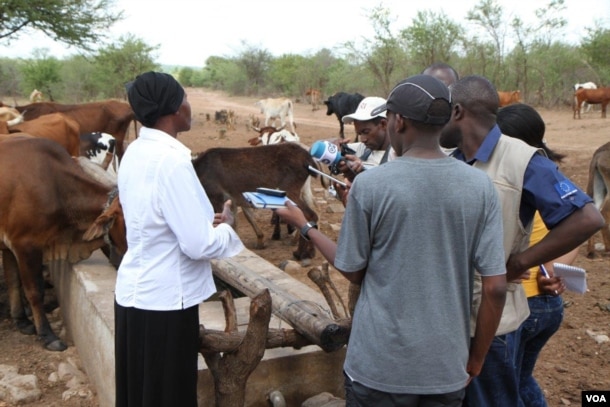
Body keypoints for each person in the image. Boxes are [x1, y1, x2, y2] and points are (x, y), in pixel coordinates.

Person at [276, 74, 508, 406]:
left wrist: (305, 226)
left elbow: (353, 270)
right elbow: (495, 288)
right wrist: (476, 358)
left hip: (378, 368)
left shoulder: (371, 186)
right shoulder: (480, 187)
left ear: (397, 122)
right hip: (445, 368)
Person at [439, 75, 604, 407]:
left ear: (457, 112)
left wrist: (520, 262)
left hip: (494, 323)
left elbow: (587, 218)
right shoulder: (453, 159)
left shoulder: (522, 160)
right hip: (451, 319)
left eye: (440, 110)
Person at [114, 71, 244, 407]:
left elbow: (156, 219)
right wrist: (226, 227)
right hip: (166, 303)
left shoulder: (134, 153)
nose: (189, 105)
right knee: (168, 395)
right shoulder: (172, 161)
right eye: (185, 97)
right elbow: (197, 245)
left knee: (139, 392)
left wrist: (203, 224)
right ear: (173, 108)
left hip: (133, 295)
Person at [497, 103, 578, 407]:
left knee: (505, 387)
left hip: (521, 305)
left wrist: (537, 266)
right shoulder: (553, 179)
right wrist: (553, 269)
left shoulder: (512, 181)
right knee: (519, 379)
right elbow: (579, 230)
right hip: (549, 306)